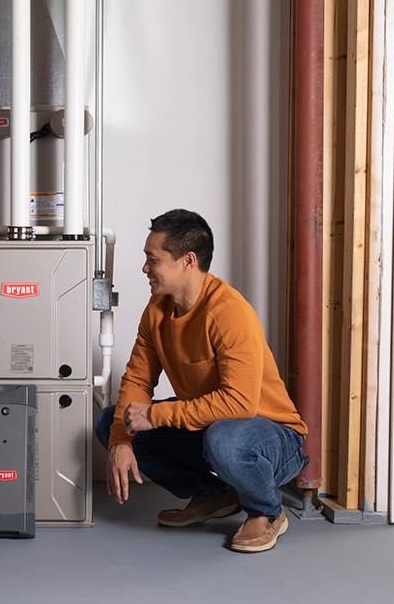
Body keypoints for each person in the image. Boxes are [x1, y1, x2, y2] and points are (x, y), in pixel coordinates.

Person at [96, 209, 308, 553]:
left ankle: (266, 511)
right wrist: (122, 439)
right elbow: (137, 378)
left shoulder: (229, 312)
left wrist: (156, 416)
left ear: (187, 261)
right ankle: (213, 495)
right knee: (110, 421)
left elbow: (240, 404)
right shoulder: (157, 309)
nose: (145, 269)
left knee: (223, 438)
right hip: (212, 430)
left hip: (273, 437)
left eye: (153, 260)